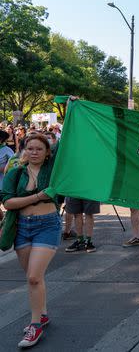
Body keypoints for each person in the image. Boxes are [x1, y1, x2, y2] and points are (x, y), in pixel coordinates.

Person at [0, 133, 61, 348]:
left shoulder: (53, 170)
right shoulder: (15, 173)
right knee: (33, 278)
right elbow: (8, 202)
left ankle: (35, 325)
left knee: (34, 277)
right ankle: (42, 314)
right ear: (25, 150)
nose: (34, 152)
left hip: (48, 225)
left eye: (39, 149)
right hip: (22, 229)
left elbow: (67, 143)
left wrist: (70, 106)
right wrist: (37, 197)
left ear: (47, 153)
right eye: (30, 148)